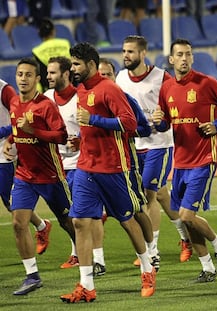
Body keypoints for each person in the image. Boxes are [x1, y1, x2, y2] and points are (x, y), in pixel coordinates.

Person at [61, 42, 155, 302]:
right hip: (86, 166)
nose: (73, 68)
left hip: (114, 166)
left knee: (127, 220)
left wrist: (94, 121)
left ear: (91, 65)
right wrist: (81, 138)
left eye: (77, 64)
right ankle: (87, 286)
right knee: (79, 221)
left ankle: (147, 268)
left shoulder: (109, 89)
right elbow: (88, 124)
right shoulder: (81, 91)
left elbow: (129, 123)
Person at [152, 38, 217, 282]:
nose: (184, 58)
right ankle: (208, 268)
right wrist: (158, 121)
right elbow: (165, 125)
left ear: (192, 58)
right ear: (171, 60)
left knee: (186, 216)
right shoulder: (167, 89)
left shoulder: (205, 83)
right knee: (186, 219)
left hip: (204, 158)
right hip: (180, 162)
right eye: (179, 54)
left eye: (188, 54)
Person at [116, 35, 193, 266]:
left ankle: (152, 251)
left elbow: (176, 103)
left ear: (142, 54)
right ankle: (186, 238)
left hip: (159, 144)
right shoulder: (121, 78)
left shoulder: (161, 77)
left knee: (148, 195)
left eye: (130, 51)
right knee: (160, 195)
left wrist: (165, 120)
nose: (126, 55)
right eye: (124, 51)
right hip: (135, 146)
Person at [3, 57, 75, 295]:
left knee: (71, 224)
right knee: (18, 223)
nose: (23, 78)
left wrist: (32, 130)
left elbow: (61, 136)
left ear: (37, 79)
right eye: (20, 74)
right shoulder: (13, 102)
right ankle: (32, 275)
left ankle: (91, 257)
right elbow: (17, 128)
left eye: (28, 75)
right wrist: (12, 140)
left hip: (51, 176)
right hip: (24, 175)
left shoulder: (45, 105)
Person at [44, 56, 108, 274]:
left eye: (53, 73)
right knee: (68, 216)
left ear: (65, 74)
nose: (48, 76)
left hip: (83, 163)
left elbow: (95, 124)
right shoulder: (45, 98)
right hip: (56, 166)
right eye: (47, 72)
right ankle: (77, 253)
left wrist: (81, 139)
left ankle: (98, 259)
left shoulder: (81, 97)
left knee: (89, 214)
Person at [98, 57, 157, 272]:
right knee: (91, 215)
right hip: (97, 166)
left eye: (108, 74)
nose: (104, 78)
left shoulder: (126, 99)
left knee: (137, 209)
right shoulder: (89, 99)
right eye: (100, 74)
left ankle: (152, 253)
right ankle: (96, 261)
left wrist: (122, 128)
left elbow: (144, 129)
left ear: (115, 77)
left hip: (126, 164)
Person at [0, 76, 53, 258]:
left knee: (10, 203)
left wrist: (4, 133)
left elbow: (19, 119)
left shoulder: (4, 90)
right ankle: (42, 226)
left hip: (3, 152)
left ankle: (42, 226)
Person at [32, 18, 71, 92]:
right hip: (68, 86)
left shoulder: (36, 51)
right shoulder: (65, 43)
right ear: (53, 31)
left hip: (48, 90)